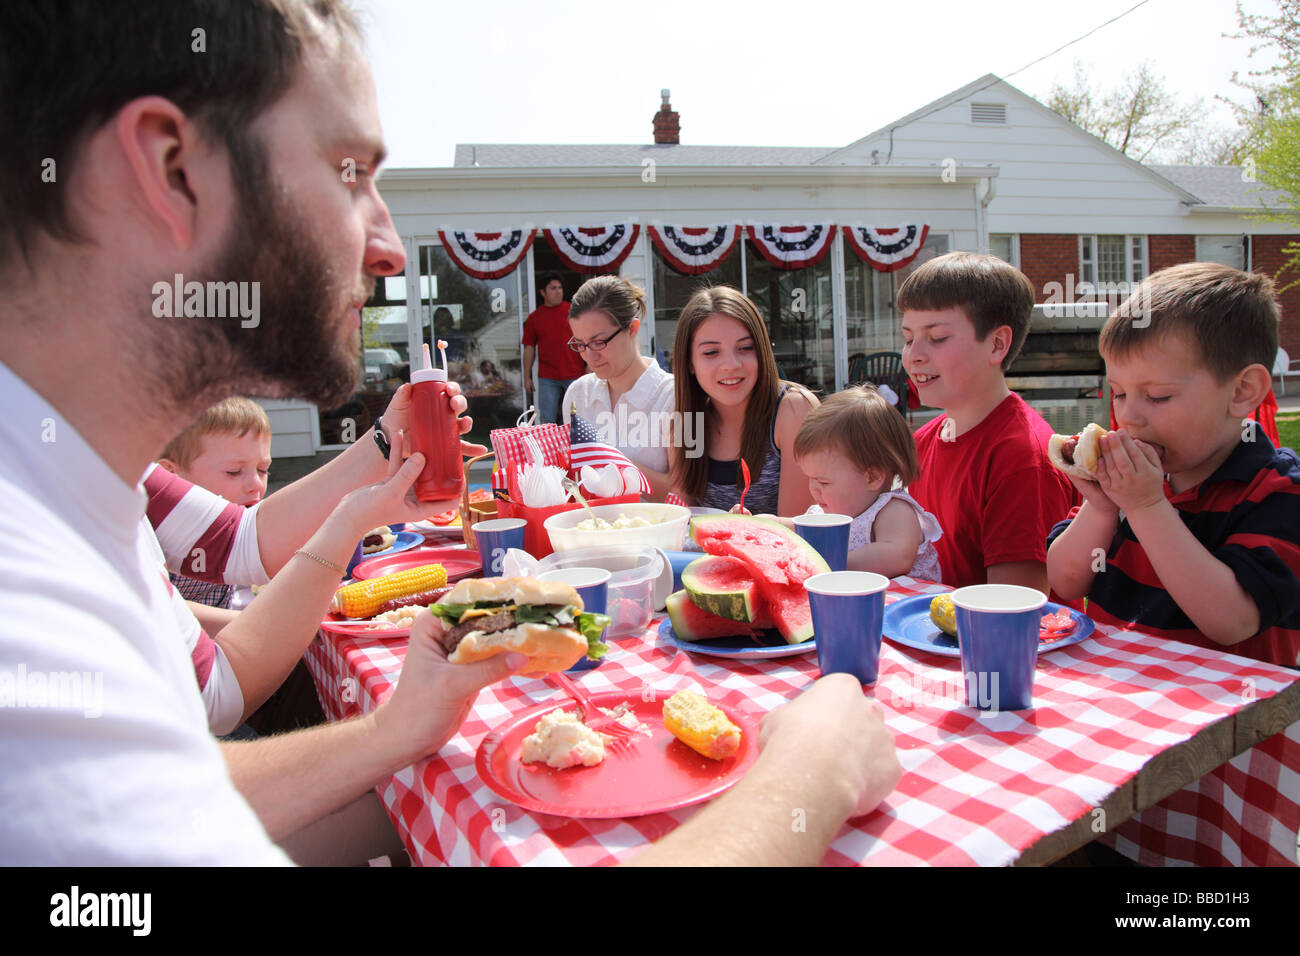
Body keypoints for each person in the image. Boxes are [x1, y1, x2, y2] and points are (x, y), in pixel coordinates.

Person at [0, 0, 899, 867]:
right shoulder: (24, 581)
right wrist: (810, 773)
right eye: (350, 171)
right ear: (173, 170)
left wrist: (396, 733)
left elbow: (202, 730)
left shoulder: (76, 487)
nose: (387, 244)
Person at [1047, 263, 1300, 668]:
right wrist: (1102, 507)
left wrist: (1146, 508)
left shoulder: (1277, 491)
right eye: (1119, 393)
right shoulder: (1133, 482)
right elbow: (1066, 581)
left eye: (1158, 396)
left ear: (1241, 391)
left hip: (1228, 720)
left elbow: (1231, 621)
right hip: (1120, 700)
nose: (1129, 417)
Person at [899, 252, 1077, 592]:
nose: (914, 354)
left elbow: (1015, 606)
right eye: (908, 338)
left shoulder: (1023, 459)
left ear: (996, 345)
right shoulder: (921, 442)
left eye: (937, 337)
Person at [756, 386, 943, 580]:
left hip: (909, 601)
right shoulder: (830, 511)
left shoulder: (893, 510)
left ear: (872, 477)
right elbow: (800, 527)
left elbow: (898, 556)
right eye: (810, 478)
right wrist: (766, 523)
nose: (813, 488)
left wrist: (827, 562)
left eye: (823, 482)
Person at [669, 286, 819, 516]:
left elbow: (799, 531)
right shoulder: (686, 422)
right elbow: (680, 518)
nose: (731, 364)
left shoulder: (794, 410)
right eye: (711, 352)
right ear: (689, 362)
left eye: (745, 348)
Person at [562, 275, 675, 500]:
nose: (590, 356)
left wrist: (608, 460)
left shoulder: (675, 395)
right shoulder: (578, 394)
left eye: (599, 342)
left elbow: (685, 493)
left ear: (632, 329)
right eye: (581, 344)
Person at [156, 397, 274, 610]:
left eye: (263, 469)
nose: (256, 485)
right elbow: (164, 611)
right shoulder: (150, 536)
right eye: (234, 472)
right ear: (170, 475)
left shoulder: (244, 518)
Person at [522, 271, 586, 423]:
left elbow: (586, 337)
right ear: (542, 292)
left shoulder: (574, 311)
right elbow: (529, 348)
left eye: (560, 287)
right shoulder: (535, 318)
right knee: (547, 420)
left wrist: (589, 364)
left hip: (575, 373)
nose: (558, 291)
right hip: (548, 377)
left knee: (579, 418)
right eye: (553, 288)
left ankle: (579, 447)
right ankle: (548, 447)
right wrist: (526, 377)